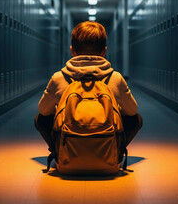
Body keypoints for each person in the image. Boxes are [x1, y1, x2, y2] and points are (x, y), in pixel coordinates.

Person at [35, 21, 142, 155]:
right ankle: (114, 152)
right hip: (106, 141)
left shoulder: (58, 77)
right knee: (136, 119)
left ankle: (60, 152)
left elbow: (43, 110)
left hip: (69, 141)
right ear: (104, 51)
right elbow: (132, 111)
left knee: (40, 119)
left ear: (72, 50)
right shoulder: (115, 78)